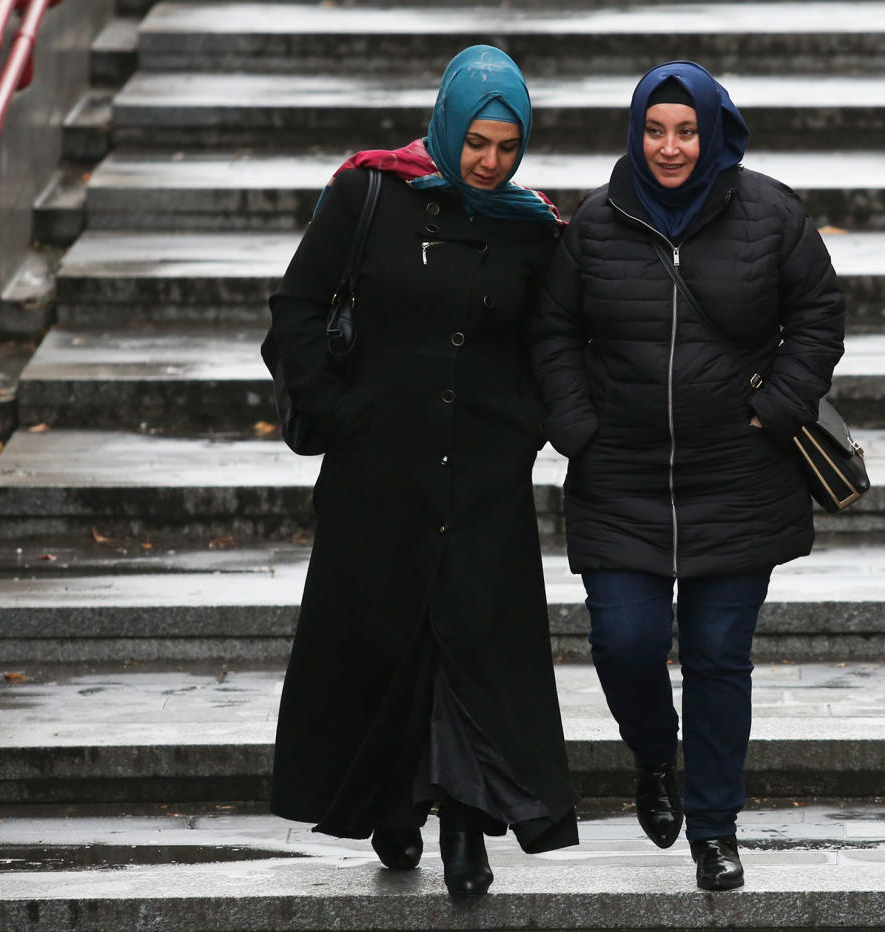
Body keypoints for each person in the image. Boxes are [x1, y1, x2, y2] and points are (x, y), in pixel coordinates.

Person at [268, 45, 578, 898]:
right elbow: (297, 308)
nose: (489, 161)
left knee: (469, 646)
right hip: (381, 472)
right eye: (477, 141)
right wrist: (337, 414)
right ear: (448, 124)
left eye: (506, 146)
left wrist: (531, 426)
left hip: (483, 477)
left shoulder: (532, 226)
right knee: (388, 642)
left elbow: (552, 342)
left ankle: (465, 830)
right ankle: (392, 805)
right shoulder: (369, 193)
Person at [531, 61, 844, 891]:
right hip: (620, 476)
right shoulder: (596, 224)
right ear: (636, 132)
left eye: (686, 129)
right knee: (624, 643)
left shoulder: (772, 214)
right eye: (654, 129)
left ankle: (714, 828)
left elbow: (818, 316)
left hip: (738, 478)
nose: (669, 147)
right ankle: (653, 759)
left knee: (716, 655)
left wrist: (776, 409)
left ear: (712, 132)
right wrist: (575, 427)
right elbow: (553, 331)